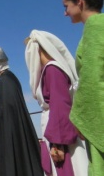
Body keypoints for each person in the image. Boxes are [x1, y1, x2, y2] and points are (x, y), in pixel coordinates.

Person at [25, 30, 88, 175]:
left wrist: (58, 143)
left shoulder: (52, 69)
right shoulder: (52, 69)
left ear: (38, 49)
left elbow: (60, 105)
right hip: (59, 131)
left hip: (61, 135)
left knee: (69, 169)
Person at [61, 0, 104, 175]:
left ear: (80, 1)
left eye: (66, 5)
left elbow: (93, 76)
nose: (65, 12)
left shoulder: (95, 27)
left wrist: (80, 117)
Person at [0, 46, 42, 176]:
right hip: (9, 130)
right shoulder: (6, 79)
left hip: (10, 133)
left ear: (0, 62)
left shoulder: (6, 81)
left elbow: (8, 113)